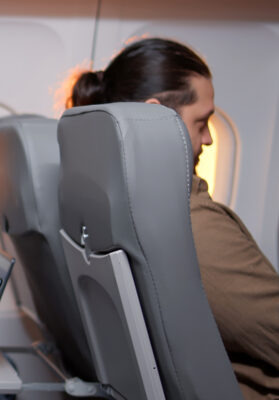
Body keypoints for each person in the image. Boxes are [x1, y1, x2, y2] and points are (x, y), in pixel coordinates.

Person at [68, 37, 279, 399]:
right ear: (158, 118)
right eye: (202, 122)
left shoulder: (103, 208)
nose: (210, 139)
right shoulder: (191, 224)